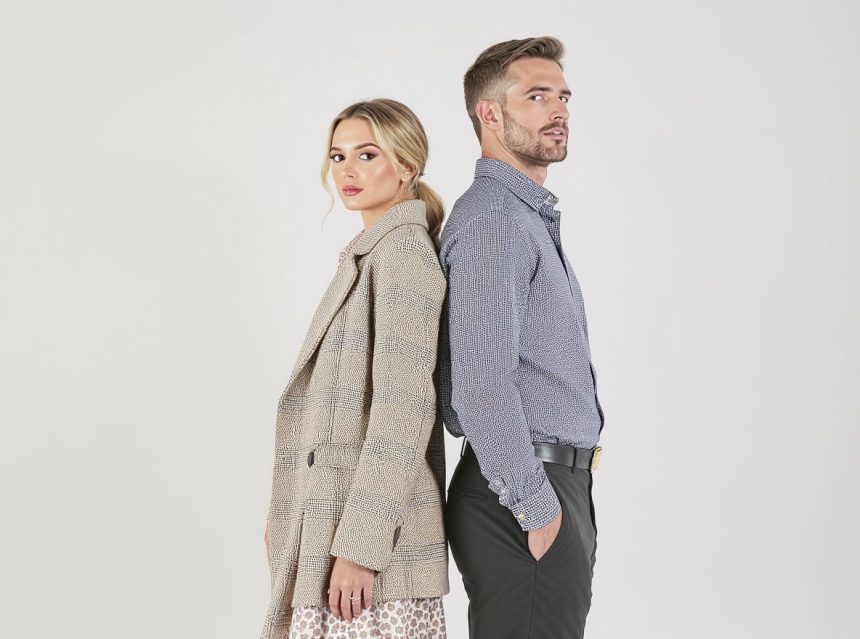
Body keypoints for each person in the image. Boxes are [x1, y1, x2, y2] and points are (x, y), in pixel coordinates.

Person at [261, 99, 449, 639]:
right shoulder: (371, 254)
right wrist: (290, 512)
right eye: (338, 155)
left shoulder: (403, 256)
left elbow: (403, 412)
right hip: (331, 530)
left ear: (407, 165)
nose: (347, 169)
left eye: (367, 155)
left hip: (369, 554)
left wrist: (361, 549)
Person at [438, 37, 605, 638]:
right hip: (521, 490)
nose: (558, 110)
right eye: (537, 96)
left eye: (563, 96)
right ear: (490, 113)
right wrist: (536, 508)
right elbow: (480, 383)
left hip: (542, 484)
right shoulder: (494, 220)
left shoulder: (523, 216)